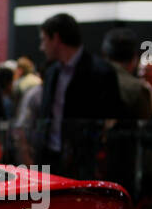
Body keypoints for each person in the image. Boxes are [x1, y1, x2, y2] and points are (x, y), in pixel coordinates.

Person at [35, 12, 125, 178]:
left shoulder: (101, 72)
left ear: (56, 38)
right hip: (50, 160)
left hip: (84, 163)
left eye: (44, 40)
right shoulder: (51, 72)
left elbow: (112, 120)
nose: (42, 47)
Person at [102, 27, 152, 122]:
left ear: (104, 54)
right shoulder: (137, 88)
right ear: (135, 58)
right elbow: (145, 126)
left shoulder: (85, 82)